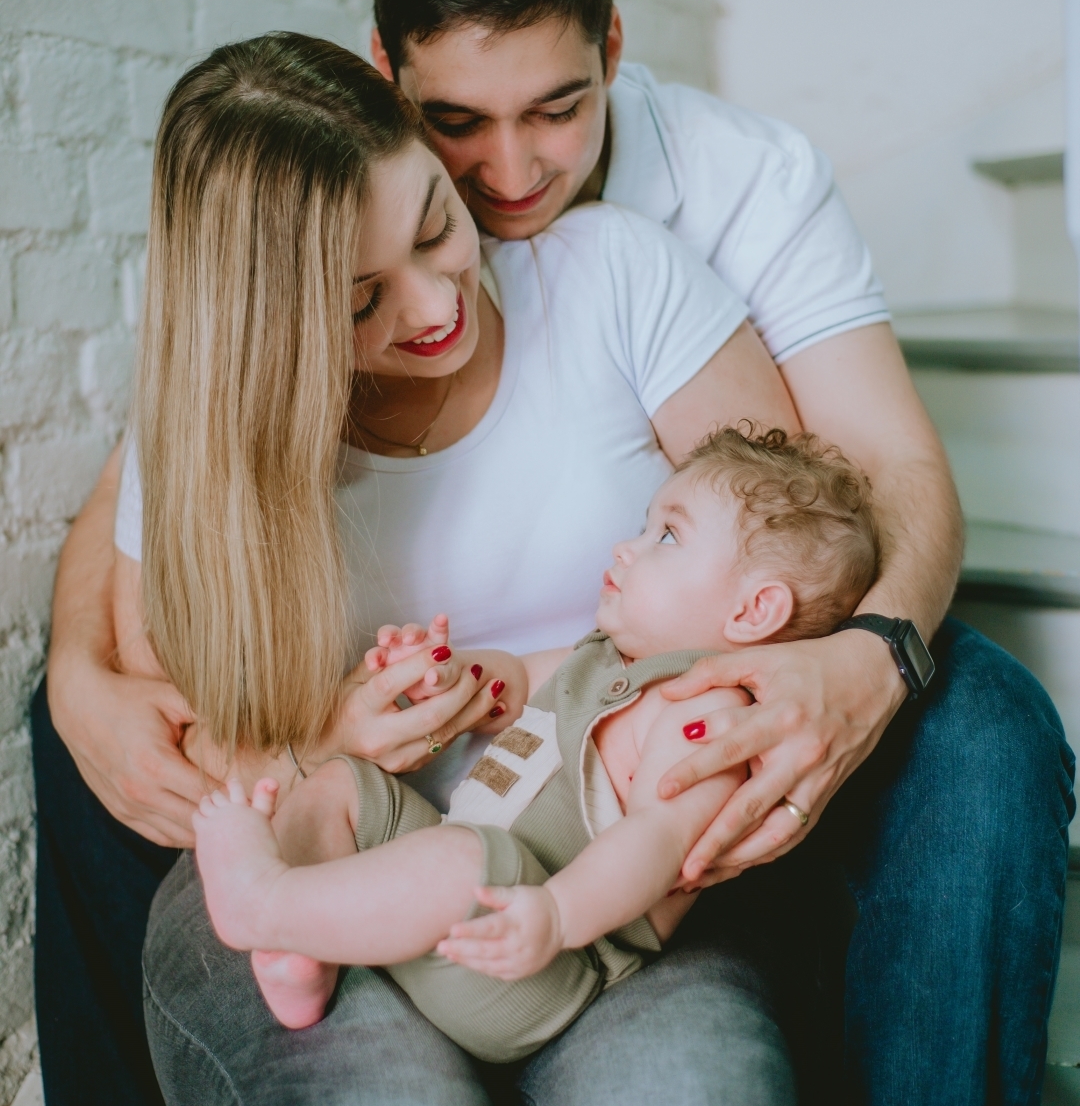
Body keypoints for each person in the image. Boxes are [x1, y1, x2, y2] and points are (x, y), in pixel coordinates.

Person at [35, 0, 1073, 1106]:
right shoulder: (235, 376)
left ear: (611, 55)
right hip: (370, 836)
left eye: (435, 223)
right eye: (361, 296)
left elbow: (843, 490)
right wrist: (151, 688)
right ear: (393, 80)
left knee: (979, 722)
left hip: (611, 829)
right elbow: (165, 622)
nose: (502, 188)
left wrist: (837, 663)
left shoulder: (665, 230)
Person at [118, 30, 801, 1106]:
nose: (439, 305)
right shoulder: (203, 451)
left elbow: (790, 559)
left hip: (579, 856)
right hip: (305, 859)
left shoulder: (607, 278)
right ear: (268, 329)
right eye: (361, 300)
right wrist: (330, 729)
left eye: (434, 227)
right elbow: (174, 747)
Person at [190, 427, 881, 1063]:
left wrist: (556, 915)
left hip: (530, 967)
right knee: (346, 784)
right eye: (645, 525)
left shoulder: (708, 715)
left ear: (753, 610)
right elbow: (514, 686)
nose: (627, 546)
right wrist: (446, 675)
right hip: (446, 894)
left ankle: (265, 902)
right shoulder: (605, 660)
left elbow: (657, 840)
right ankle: (300, 952)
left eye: (667, 536)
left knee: (466, 860)